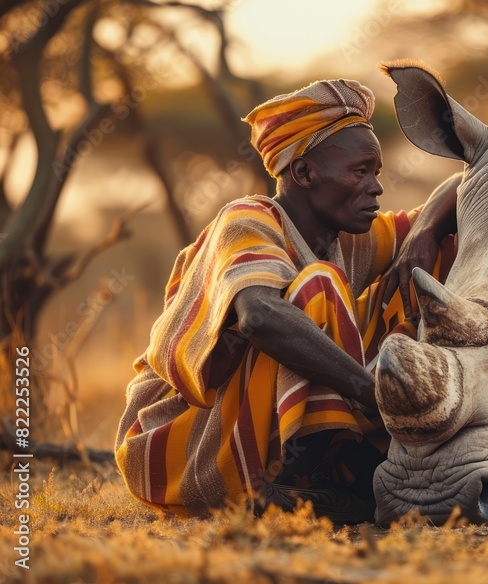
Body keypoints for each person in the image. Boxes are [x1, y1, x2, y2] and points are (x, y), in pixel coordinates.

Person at [115, 79, 459, 522]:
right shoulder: (247, 219)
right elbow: (259, 316)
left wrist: (425, 234)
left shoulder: (349, 239)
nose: (376, 187)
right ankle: (308, 477)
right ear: (303, 173)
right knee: (318, 286)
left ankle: (335, 476)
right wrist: (369, 395)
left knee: (419, 272)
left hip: (243, 441)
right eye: (360, 171)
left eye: (376, 172)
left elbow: (466, 183)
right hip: (179, 448)